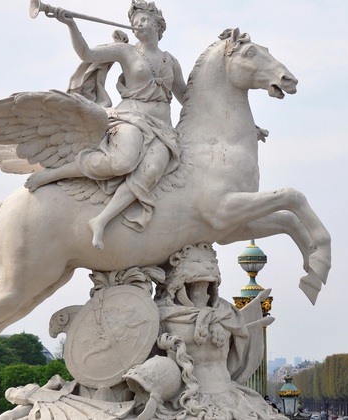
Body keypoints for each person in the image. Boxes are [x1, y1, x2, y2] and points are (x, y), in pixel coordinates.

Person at [25, 0, 186, 250]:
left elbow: (185, 96)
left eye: (143, 21)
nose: (138, 25)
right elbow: (87, 54)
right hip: (131, 119)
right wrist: (70, 25)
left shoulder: (170, 61)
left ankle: (100, 220)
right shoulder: (126, 52)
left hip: (163, 130)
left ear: (157, 24)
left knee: (151, 172)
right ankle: (52, 175)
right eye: (135, 23)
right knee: (122, 162)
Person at [149, 243, 287, 419]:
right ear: (179, 270)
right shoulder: (163, 315)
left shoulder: (226, 312)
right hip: (186, 399)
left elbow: (240, 349)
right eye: (198, 261)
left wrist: (213, 319)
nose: (209, 266)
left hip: (228, 394)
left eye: (212, 262)